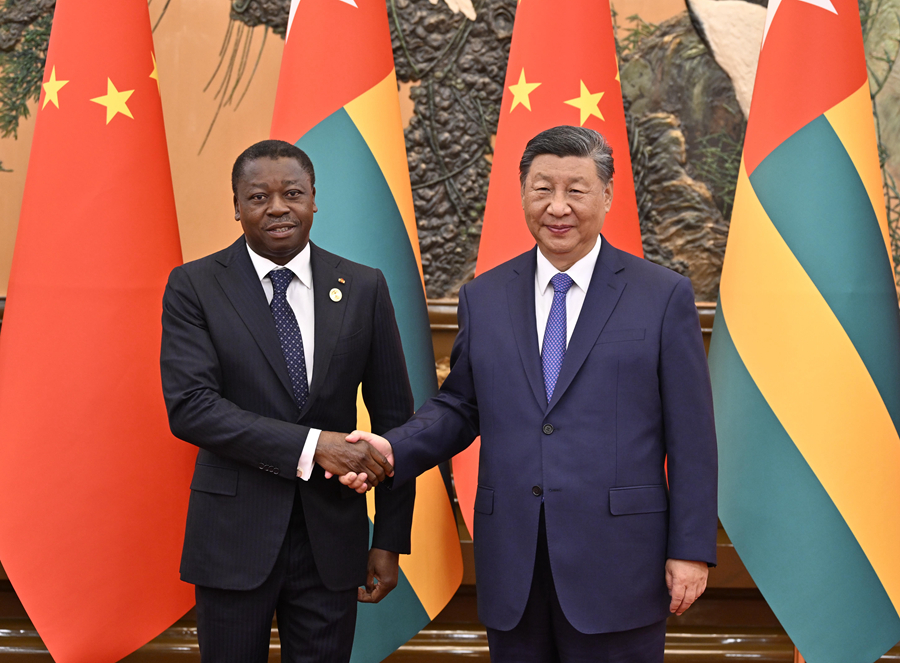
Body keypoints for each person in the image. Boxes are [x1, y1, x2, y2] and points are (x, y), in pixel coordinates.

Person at [345, 126, 718, 662]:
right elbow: (460, 406)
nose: (558, 207)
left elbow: (693, 438)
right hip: (514, 562)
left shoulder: (661, 296)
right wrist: (390, 449)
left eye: (577, 190)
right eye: (543, 189)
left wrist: (690, 550)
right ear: (522, 194)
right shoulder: (485, 295)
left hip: (619, 564)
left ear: (607, 196)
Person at [160, 139, 413, 663]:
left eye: (292, 192)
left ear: (314, 199)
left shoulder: (363, 286)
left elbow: (396, 422)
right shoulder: (195, 286)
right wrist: (314, 445)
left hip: (333, 543)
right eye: (258, 196)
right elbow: (192, 406)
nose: (277, 207)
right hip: (233, 540)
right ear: (236, 206)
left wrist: (388, 539)